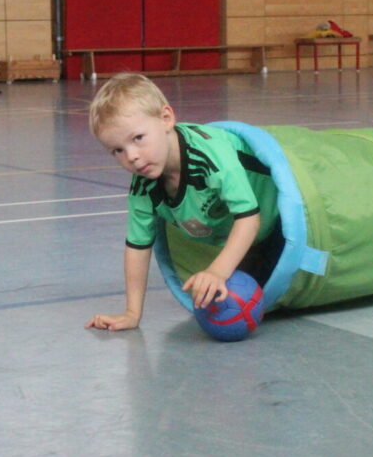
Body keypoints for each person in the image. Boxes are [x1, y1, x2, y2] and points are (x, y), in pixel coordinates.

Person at [85, 73, 281, 332]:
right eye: (117, 150)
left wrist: (217, 272)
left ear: (166, 118)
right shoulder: (144, 186)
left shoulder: (210, 155)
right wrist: (132, 313)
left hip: (279, 218)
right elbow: (137, 247)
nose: (131, 156)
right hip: (243, 238)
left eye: (138, 138)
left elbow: (248, 218)